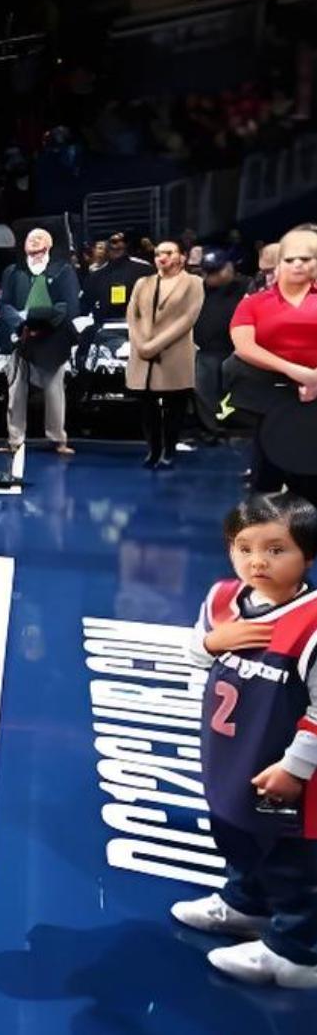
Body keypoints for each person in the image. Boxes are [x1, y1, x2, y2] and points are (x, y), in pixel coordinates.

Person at [173, 492, 317, 989]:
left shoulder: (311, 623)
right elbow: (194, 652)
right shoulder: (222, 600)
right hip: (232, 751)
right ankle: (246, 903)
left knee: (291, 860)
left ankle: (298, 952)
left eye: (276, 550)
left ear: (308, 555)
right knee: (236, 831)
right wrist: (212, 642)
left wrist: (296, 766)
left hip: (283, 764)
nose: (257, 561)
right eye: (244, 547)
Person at [231, 225, 317, 493]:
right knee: (266, 479)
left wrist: (314, 379)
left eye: (304, 259)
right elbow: (244, 347)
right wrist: (297, 372)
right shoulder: (253, 303)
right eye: (288, 260)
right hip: (269, 397)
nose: (296, 265)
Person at [0, 227, 81, 455]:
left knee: (54, 390)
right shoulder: (13, 272)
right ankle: (14, 439)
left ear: (49, 245)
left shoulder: (63, 270)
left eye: (39, 238)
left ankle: (58, 439)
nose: (34, 241)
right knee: (16, 390)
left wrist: (38, 321)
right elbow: (4, 305)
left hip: (52, 338)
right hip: (21, 337)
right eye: (30, 238)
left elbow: (67, 307)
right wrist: (20, 324)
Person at [125, 240, 204, 470]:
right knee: (147, 408)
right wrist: (140, 343)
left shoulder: (193, 283)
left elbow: (188, 318)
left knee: (174, 407)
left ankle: (169, 450)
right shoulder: (143, 283)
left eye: (168, 253)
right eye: (158, 253)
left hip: (174, 352)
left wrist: (155, 345)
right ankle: (153, 450)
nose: (162, 257)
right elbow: (132, 314)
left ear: (182, 256)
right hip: (143, 353)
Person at [194, 248, 247, 444]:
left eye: (215, 271)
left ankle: (241, 431)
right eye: (207, 272)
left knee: (239, 394)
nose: (210, 276)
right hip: (207, 350)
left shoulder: (245, 287)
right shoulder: (198, 290)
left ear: (228, 268)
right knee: (204, 393)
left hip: (238, 351)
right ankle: (211, 431)